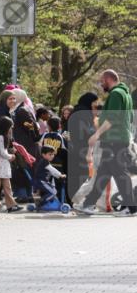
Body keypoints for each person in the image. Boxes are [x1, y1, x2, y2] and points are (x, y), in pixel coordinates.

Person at [75, 70, 135, 216]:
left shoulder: (115, 94)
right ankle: (88, 204)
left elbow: (112, 118)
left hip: (114, 140)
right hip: (118, 139)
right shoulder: (126, 94)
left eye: (102, 81)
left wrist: (96, 134)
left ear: (108, 79)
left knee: (121, 174)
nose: (101, 84)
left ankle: (132, 208)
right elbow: (131, 117)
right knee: (103, 173)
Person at [39, 116, 69, 203]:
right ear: (59, 126)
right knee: (59, 184)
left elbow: (40, 144)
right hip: (58, 164)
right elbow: (65, 148)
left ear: (48, 126)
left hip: (46, 163)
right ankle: (59, 201)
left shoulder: (45, 135)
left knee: (45, 182)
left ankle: (44, 201)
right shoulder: (60, 136)